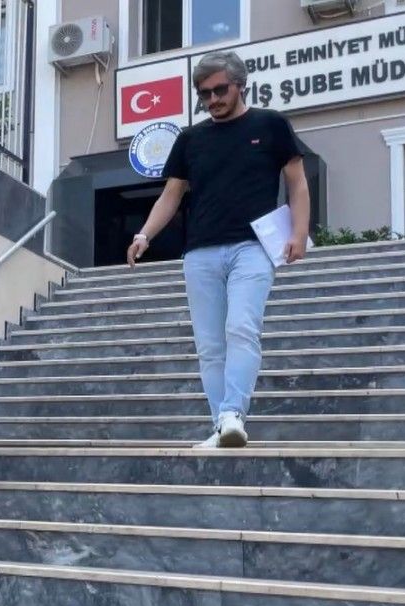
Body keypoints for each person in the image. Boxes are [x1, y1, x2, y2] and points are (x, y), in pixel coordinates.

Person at [128, 51, 309, 449]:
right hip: (200, 252)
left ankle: (233, 414)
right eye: (204, 93)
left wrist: (299, 232)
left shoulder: (271, 124)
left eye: (220, 90)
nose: (212, 99)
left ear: (240, 84)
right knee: (210, 345)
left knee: (241, 327)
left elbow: (296, 182)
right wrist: (144, 234)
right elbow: (171, 194)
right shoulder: (190, 139)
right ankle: (221, 425)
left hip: (253, 247)